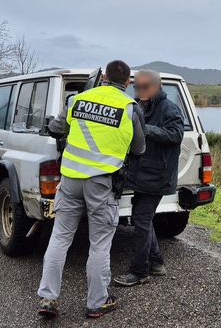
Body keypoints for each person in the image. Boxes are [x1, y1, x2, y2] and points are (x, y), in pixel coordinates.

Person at [37, 60, 146, 319]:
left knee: (60, 237)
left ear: (105, 76)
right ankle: (96, 302)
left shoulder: (79, 99)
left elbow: (56, 128)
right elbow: (139, 149)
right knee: (99, 244)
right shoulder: (130, 108)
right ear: (128, 82)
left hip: (71, 179)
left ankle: (48, 299)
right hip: (102, 184)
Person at [113, 69, 184, 287]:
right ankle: (156, 262)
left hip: (157, 175)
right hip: (141, 173)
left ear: (157, 86)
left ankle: (139, 271)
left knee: (141, 220)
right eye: (137, 87)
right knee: (142, 218)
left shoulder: (169, 109)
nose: (140, 90)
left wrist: (145, 129)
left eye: (145, 87)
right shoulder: (137, 105)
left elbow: (175, 135)